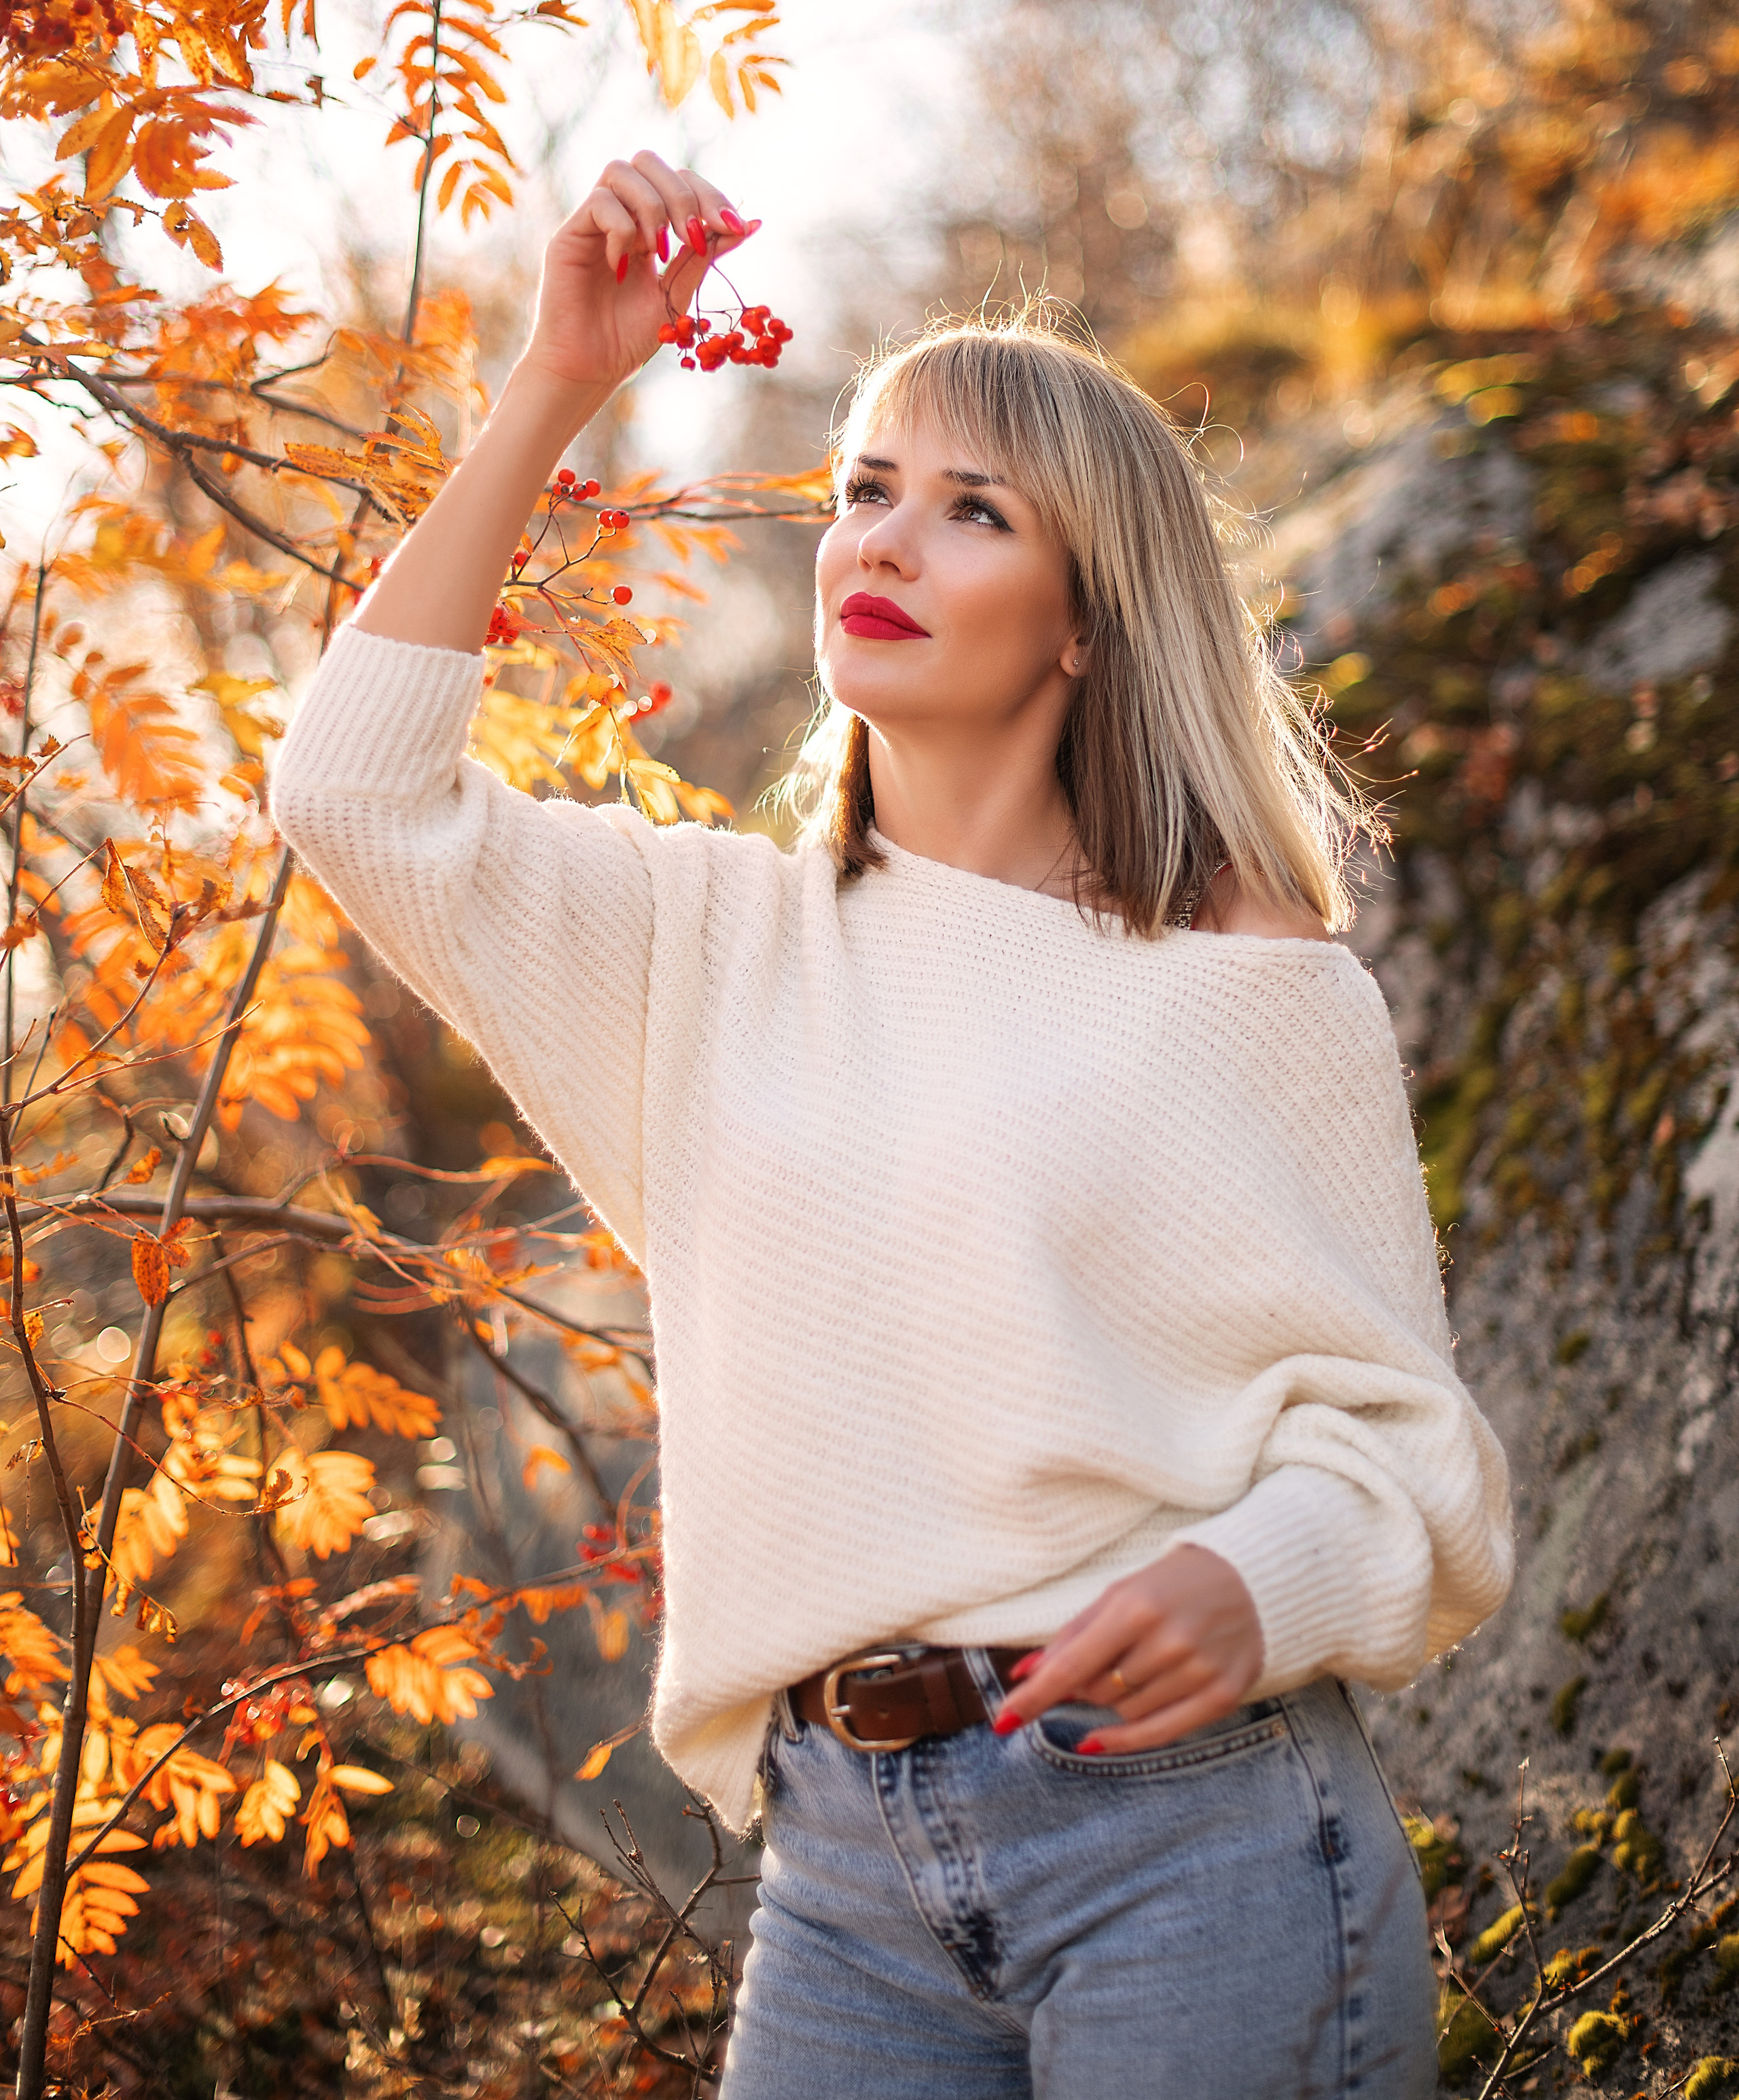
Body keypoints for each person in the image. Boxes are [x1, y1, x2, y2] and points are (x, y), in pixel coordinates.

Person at [272, 149, 1514, 2099]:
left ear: (1086, 621)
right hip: (839, 1870)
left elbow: (1413, 1456)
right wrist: (555, 386)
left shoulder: (1249, 994)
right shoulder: (707, 940)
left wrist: (1254, 1580)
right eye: (862, 490)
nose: (884, 539)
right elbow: (355, 796)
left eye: (968, 509)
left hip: (1193, 1834)